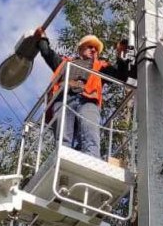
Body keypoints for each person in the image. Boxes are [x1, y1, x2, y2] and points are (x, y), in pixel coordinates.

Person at [33, 27, 134, 159]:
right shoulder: (64, 63)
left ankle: (91, 161)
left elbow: (120, 75)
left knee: (90, 134)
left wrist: (121, 55)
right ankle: (62, 163)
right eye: (89, 47)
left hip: (88, 100)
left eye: (96, 49)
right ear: (80, 49)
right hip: (64, 98)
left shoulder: (101, 67)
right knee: (63, 139)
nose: (93, 50)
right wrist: (42, 38)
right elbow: (47, 53)